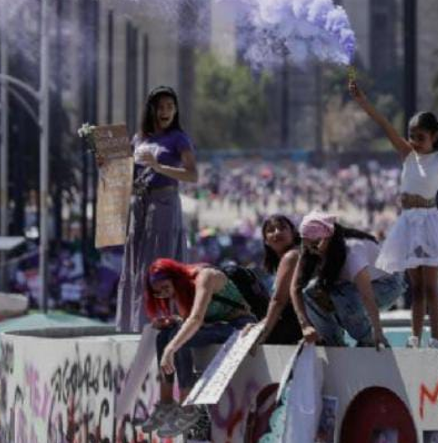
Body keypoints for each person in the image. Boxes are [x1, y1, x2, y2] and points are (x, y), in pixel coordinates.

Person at [349, 76, 438, 348]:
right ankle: (415, 337)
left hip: (430, 222)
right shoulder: (407, 154)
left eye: (421, 137)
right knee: (415, 289)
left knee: (430, 288)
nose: (415, 141)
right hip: (408, 224)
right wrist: (363, 102)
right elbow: (384, 125)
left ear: (434, 136)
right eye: (412, 136)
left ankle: (437, 338)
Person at [137, 259, 257, 437]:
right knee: (165, 335)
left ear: (175, 278)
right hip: (217, 326)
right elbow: (189, 320)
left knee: (178, 341)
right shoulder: (182, 289)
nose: (164, 294)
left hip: (239, 326)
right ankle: (167, 403)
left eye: (165, 287)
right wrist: (173, 321)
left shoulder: (204, 276)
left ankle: (189, 408)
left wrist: (171, 349)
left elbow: (196, 319)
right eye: (158, 293)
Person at [114, 86, 199, 333]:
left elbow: (192, 175)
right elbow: (129, 174)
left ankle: (162, 321)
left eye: (170, 107)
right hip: (139, 204)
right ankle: (133, 323)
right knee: (135, 262)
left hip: (164, 203)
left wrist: (159, 166)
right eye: (161, 107)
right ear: (151, 109)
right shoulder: (139, 139)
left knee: (157, 262)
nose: (165, 112)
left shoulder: (179, 139)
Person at [291, 211, 406, 348]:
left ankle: (368, 340)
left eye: (316, 244)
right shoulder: (310, 251)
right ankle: (333, 343)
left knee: (341, 296)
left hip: (389, 284)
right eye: (306, 245)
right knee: (309, 293)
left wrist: (378, 332)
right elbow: (295, 289)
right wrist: (305, 325)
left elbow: (366, 295)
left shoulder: (352, 252)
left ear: (329, 236)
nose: (312, 250)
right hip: (352, 287)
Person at [248, 214, 305, 346]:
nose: (277, 233)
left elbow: (279, 300)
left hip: (297, 325)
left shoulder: (291, 256)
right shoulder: (293, 255)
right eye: (271, 230)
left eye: (282, 228)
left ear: (293, 233)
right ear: (266, 241)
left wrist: (263, 334)